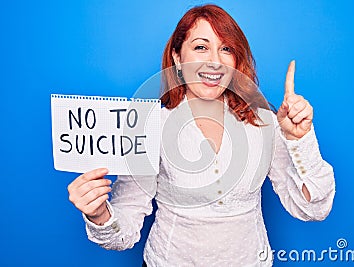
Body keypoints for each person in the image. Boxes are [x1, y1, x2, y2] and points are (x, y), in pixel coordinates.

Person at [67, 4, 335, 266]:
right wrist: (100, 214)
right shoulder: (151, 126)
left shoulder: (264, 122)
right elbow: (124, 228)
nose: (215, 61)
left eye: (226, 49)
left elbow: (312, 209)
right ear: (177, 58)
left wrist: (299, 140)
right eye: (200, 47)